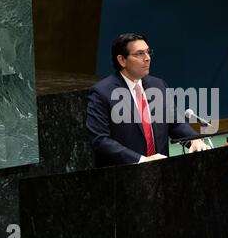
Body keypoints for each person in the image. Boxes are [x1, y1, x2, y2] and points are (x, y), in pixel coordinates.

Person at [86, 33, 208, 167]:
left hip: (160, 170)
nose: (147, 58)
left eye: (148, 52)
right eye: (139, 53)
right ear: (122, 60)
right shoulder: (102, 92)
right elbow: (100, 140)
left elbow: (175, 124)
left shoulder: (158, 85)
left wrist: (194, 139)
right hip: (123, 174)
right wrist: (141, 160)